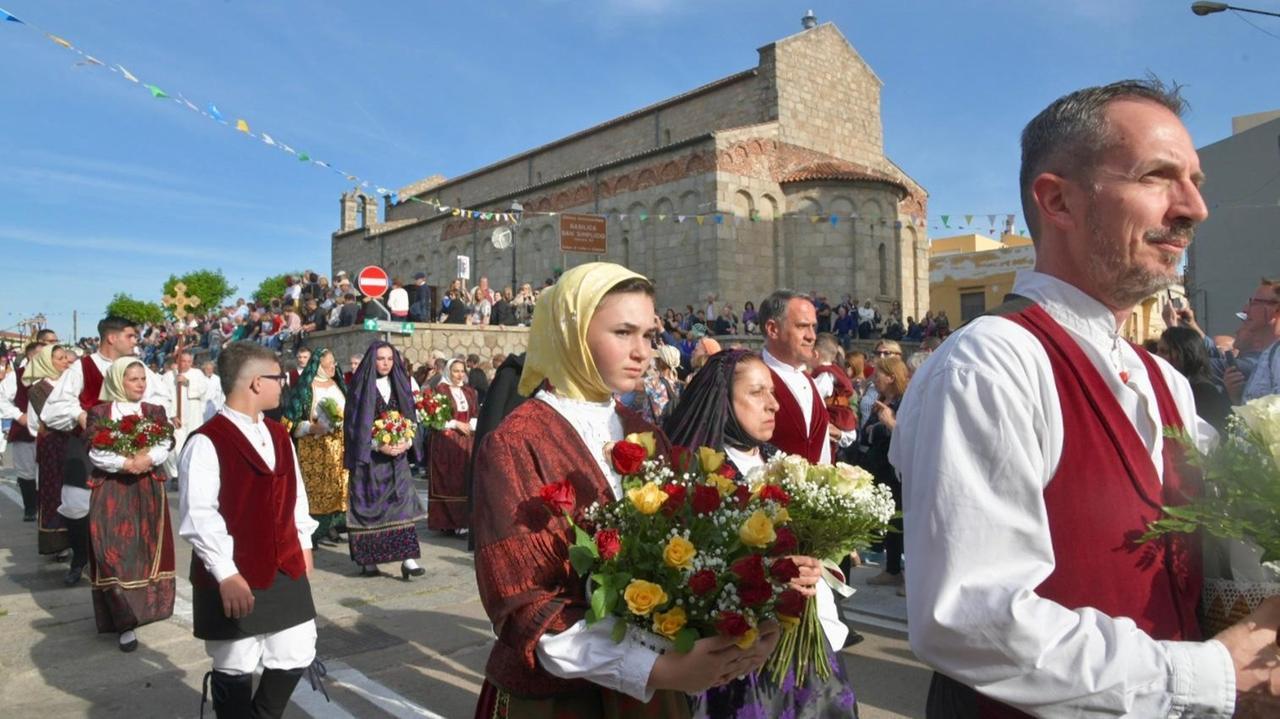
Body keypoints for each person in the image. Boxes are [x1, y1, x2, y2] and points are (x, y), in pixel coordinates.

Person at [892, 79, 1280, 717]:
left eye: (1195, 180)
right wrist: (1210, 676)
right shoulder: (991, 363)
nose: (1193, 207)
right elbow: (970, 618)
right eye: (1157, 176)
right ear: (1059, 201)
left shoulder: (1167, 383)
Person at [471, 263, 777, 718]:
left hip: (655, 690)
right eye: (622, 332)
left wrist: (748, 616)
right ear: (571, 332)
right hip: (562, 697)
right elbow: (522, 603)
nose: (642, 352)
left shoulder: (644, 431)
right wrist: (657, 669)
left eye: (649, 335)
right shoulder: (518, 440)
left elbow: (693, 552)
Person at [665, 349, 856, 718]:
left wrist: (814, 564)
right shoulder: (696, 472)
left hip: (802, 647)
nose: (773, 405)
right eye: (757, 393)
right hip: (738, 658)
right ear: (723, 399)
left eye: (772, 392)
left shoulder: (783, 464)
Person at [177, 342, 318, 719]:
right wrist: (226, 573)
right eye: (279, 379)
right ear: (257, 383)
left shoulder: (279, 434)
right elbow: (199, 516)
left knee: (298, 648)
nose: (283, 386)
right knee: (235, 660)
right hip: (234, 572)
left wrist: (303, 542)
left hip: (283, 565)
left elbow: (295, 495)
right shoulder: (207, 441)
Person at [42, 317, 171, 585]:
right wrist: (81, 415)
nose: (136, 341)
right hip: (91, 444)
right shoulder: (83, 367)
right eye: (131, 336)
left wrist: (146, 420)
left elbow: (162, 398)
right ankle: (80, 558)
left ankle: (124, 564)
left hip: (135, 447)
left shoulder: (140, 368)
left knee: (126, 508)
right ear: (112, 338)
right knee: (77, 503)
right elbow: (52, 409)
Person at [85, 357, 176, 652]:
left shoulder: (153, 411)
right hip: (112, 489)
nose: (140, 384)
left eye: (142, 379)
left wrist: (147, 459)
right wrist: (126, 462)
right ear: (116, 381)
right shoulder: (99, 412)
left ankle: (144, 610)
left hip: (148, 486)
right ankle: (122, 619)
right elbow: (95, 450)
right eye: (133, 379)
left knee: (144, 548)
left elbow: (165, 442)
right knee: (110, 550)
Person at [343, 342, 427, 579]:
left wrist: (406, 442)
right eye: (381, 358)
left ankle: (408, 559)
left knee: (401, 503)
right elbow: (352, 426)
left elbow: (410, 418)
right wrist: (377, 444)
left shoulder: (400, 383)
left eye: (390, 358)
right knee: (370, 507)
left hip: (397, 459)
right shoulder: (359, 387)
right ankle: (369, 561)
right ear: (373, 360)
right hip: (369, 460)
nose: (386, 363)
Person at [759, 290, 840, 463]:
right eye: (802, 326)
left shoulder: (811, 381)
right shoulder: (748, 379)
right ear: (773, 329)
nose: (811, 336)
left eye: (813, 327)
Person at [284, 348, 349, 547]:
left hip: (340, 446)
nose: (333, 367)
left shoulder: (339, 385)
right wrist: (312, 427)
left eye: (334, 364)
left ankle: (333, 527)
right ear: (318, 366)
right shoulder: (305, 389)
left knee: (340, 488)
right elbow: (288, 422)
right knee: (316, 492)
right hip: (314, 448)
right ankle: (312, 534)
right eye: (328, 364)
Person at [859, 355, 908, 594]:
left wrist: (887, 424)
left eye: (878, 374)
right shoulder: (881, 399)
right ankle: (891, 570)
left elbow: (903, 433)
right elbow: (866, 430)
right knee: (889, 519)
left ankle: (906, 573)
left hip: (896, 469)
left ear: (891, 377)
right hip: (878, 465)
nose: (873, 378)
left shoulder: (904, 401)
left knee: (901, 519)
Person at [427, 358, 477, 535]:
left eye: (462, 371)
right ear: (449, 372)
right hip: (446, 441)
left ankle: (464, 521)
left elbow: (474, 413)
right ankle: (447, 523)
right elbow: (435, 418)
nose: (459, 375)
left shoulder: (470, 392)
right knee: (448, 481)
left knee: (464, 480)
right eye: (455, 371)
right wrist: (456, 424)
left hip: (466, 441)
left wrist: (471, 424)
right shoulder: (440, 390)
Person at [1157, 326, 1232, 432]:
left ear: (1184, 355)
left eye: (1163, 352)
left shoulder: (1203, 392)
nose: (1156, 356)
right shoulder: (1171, 384)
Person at [1, 342, 42, 522]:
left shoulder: (56, 376)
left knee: (47, 472)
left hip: (49, 432)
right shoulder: (17, 376)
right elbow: (2, 399)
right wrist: (19, 416)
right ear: (32, 356)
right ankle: (30, 508)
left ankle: (45, 507)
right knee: (26, 471)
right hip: (25, 432)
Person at [162, 350, 210, 484]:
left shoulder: (197, 374)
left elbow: (203, 389)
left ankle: (191, 472)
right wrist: (171, 415)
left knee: (192, 443)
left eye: (189, 361)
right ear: (178, 361)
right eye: (183, 361)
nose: (186, 364)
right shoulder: (168, 376)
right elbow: (165, 397)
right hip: (176, 416)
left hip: (193, 414)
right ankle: (176, 474)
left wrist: (188, 382)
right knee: (175, 445)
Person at [811, 333, 858, 457]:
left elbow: (813, 397)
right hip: (839, 413)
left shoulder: (824, 375)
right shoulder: (835, 370)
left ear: (815, 354)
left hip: (834, 415)